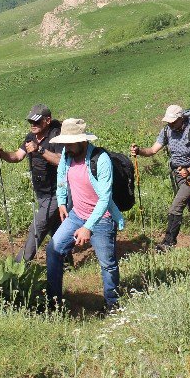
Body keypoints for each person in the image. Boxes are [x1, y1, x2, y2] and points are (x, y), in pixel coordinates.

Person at [46, 118, 124, 310]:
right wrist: (62, 200)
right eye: (64, 143)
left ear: (82, 141)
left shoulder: (101, 159)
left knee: (107, 263)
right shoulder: (67, 153)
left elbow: (105, 199)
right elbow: (61, 176)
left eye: (70, 143)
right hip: (76, 214)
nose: (66, 147)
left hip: (102, 219)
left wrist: (87, 227)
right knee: (53, 250)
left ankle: (112, 304)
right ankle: (53, 302)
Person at [130, 104, 190, 252]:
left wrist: (189, 170)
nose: (170, 124)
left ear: (181, 118)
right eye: (168, 121)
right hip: (178, 173)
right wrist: (139, 150)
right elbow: (153, 150)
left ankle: (168, 242)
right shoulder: (167, 131)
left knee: (177, 205)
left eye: (173, 121)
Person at [0, 104, 63, 261]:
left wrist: (40, 150)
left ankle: (19, 265)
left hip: (57, 193)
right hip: (41, 193)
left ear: (48, 120)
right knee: (55, 228)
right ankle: (65, 260)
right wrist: (2, 154)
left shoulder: (57, 136)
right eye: (31, 121)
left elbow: (60, 161)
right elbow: (17, 156)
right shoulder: (30, 137)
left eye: (37, 122)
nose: (33, 125)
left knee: (38, 227)